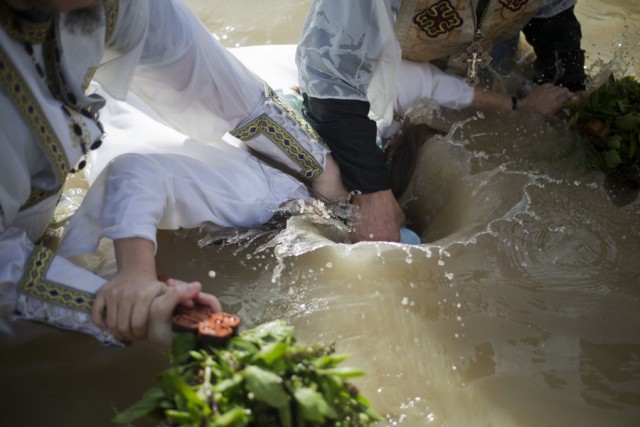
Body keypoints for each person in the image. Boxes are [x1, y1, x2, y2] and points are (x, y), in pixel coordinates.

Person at [0, 0, 344, 345]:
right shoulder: (265, 192)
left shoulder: (112, 6)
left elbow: (210, 78)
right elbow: (133, 174)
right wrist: (132, 286)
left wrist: (328, 180)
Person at [296, 0, 585, 243]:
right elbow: (331, 75)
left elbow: (554, 20)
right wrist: (372, 194)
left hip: (486, 56)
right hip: (399, 58)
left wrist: (567, 88)